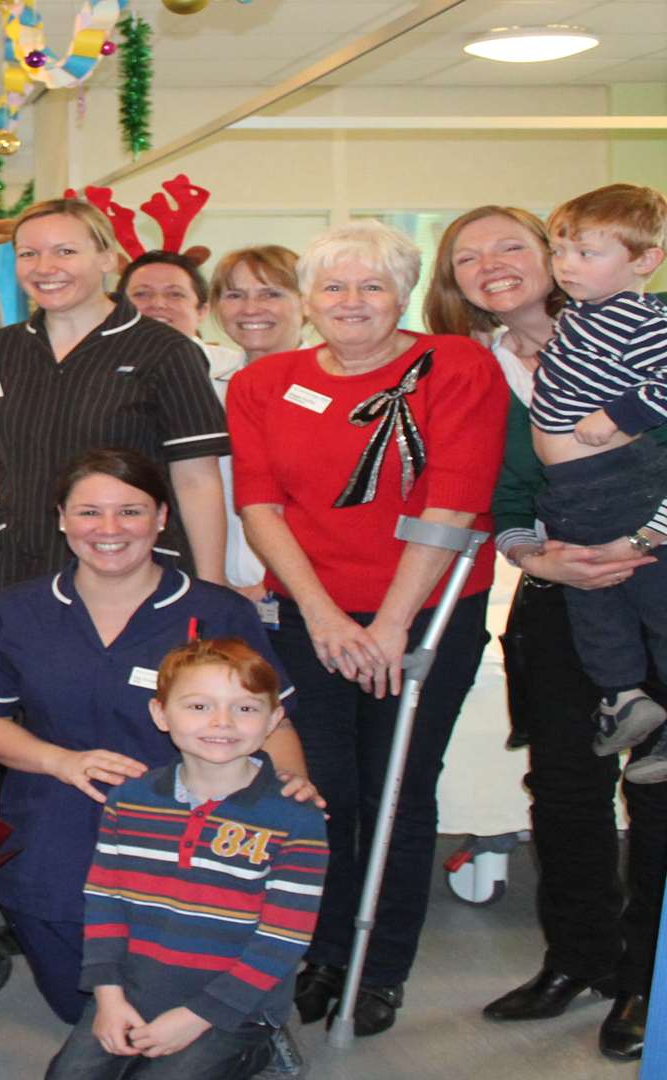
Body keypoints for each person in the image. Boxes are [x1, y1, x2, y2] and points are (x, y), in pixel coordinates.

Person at [227, 219, 508, 1037]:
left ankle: (381, 968)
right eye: (334, 286)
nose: (352, 302)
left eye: (373, 285)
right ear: (308, 299)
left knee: (397, 789)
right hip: (312, 615)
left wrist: (390, 626)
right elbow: (260, 504)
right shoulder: (264, 383)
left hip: (425, 612)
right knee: (325, 791)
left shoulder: (454, 365)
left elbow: (452, 499)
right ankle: (320, 951)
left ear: (403, 294)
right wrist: (317, 614)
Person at [0, 448, 313, 1032]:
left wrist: (289, 794)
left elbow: (274, 722)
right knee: (81, 998)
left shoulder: (214, 611)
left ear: (161, 518)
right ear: (60, 519)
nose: (108, 530)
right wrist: (60, 760)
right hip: (56, 818)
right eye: (89, 512)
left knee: (177, 996)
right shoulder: (19, 611)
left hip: (188, 823)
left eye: (130, 511)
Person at [427, 203, 667, 1059]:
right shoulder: (471, 369)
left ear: (558, 256)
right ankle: (579, 958)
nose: (489, 263)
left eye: (510, 245)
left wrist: (641, 541)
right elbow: (491, 494)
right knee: (564, 786)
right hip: (558, 595)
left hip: (654, 577)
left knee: (656, 787)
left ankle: (646, 980)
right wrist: (538, 558)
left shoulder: (635, 335)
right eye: (465, 256)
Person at [44, 637, 328, 1080]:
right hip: (136, 989)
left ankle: (263, 1049)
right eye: (198, 706)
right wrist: (108, 996)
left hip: (239, 1005)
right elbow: (105, 902)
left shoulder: (296, 816)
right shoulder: (130, 800)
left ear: (273, 720)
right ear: (161, 713)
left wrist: (199, 1015)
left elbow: (284, 937)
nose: (222, 722)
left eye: (246, 708)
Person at [0, 199, 232, 631]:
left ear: (107, 258)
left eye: (65, 251)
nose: (44, 267)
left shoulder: (165, 350)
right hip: (15, 570)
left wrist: (210, 587)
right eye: (28, 254)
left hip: (130, 570)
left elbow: (198, 478)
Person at [525, 184, 667, 758]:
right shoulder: (584, 316)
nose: (566, 267)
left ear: (644, 261)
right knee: (595, 595)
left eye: (587, 253)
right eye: (559, 252)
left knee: (652, 597)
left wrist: (618, 414)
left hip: (619, 479)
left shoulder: (643, 316)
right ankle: (623, 697)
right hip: (574, 490)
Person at [208, 246, 307, 598]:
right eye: (235, 295)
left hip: (310, 591)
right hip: (219, 586)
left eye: (271, 294)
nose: (251, 309)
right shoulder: (204, 386)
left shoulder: (336, 389)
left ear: (306, 303)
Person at [120, 249, 247, 382]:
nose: (158, 304)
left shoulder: (235, 370)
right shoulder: (99, 365)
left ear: (201, 311)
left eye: (175, 294)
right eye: (141, 294)